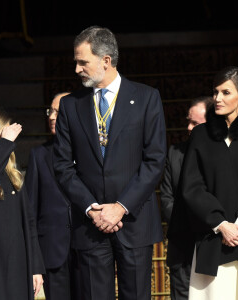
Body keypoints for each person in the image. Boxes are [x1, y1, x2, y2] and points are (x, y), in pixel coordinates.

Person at [53, 26, 167, 300]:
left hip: (134, 221)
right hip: (90, 224)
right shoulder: (70, 105)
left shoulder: (146, 98)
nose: (78, 69)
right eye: (76, 62)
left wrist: (120, 207)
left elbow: (155, 160)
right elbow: (63, 166)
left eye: (83, 62)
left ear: (105, 60)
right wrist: (93, 209)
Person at [173, 66, 238, 300]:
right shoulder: (200, 135)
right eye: (215, 92)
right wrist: (221, 224)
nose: (217, 98)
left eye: (226, 92)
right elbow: (192, 186)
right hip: (213, 240)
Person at [0, 107, 45, 300]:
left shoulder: (12, 174)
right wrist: (5, 143)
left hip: (16, 264)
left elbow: (29, 223)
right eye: (1, 137)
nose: (8, 143)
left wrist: (36, 267)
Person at [25, 92, 81, 300]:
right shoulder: (38, 155)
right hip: (52, 251)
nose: (51, 116)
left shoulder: (93, 154)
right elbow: (31, 209)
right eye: (50, 111)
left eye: (58, 111)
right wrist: (34, 262)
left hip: (88, 248)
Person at [161, 96, 212, 300]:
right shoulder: (175, 153)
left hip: (212, 246)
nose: (189, 127)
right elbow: (166, 198)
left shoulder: (224, 154)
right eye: (188, 121)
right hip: (181, 247)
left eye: (195, 123)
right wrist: (188, 225)